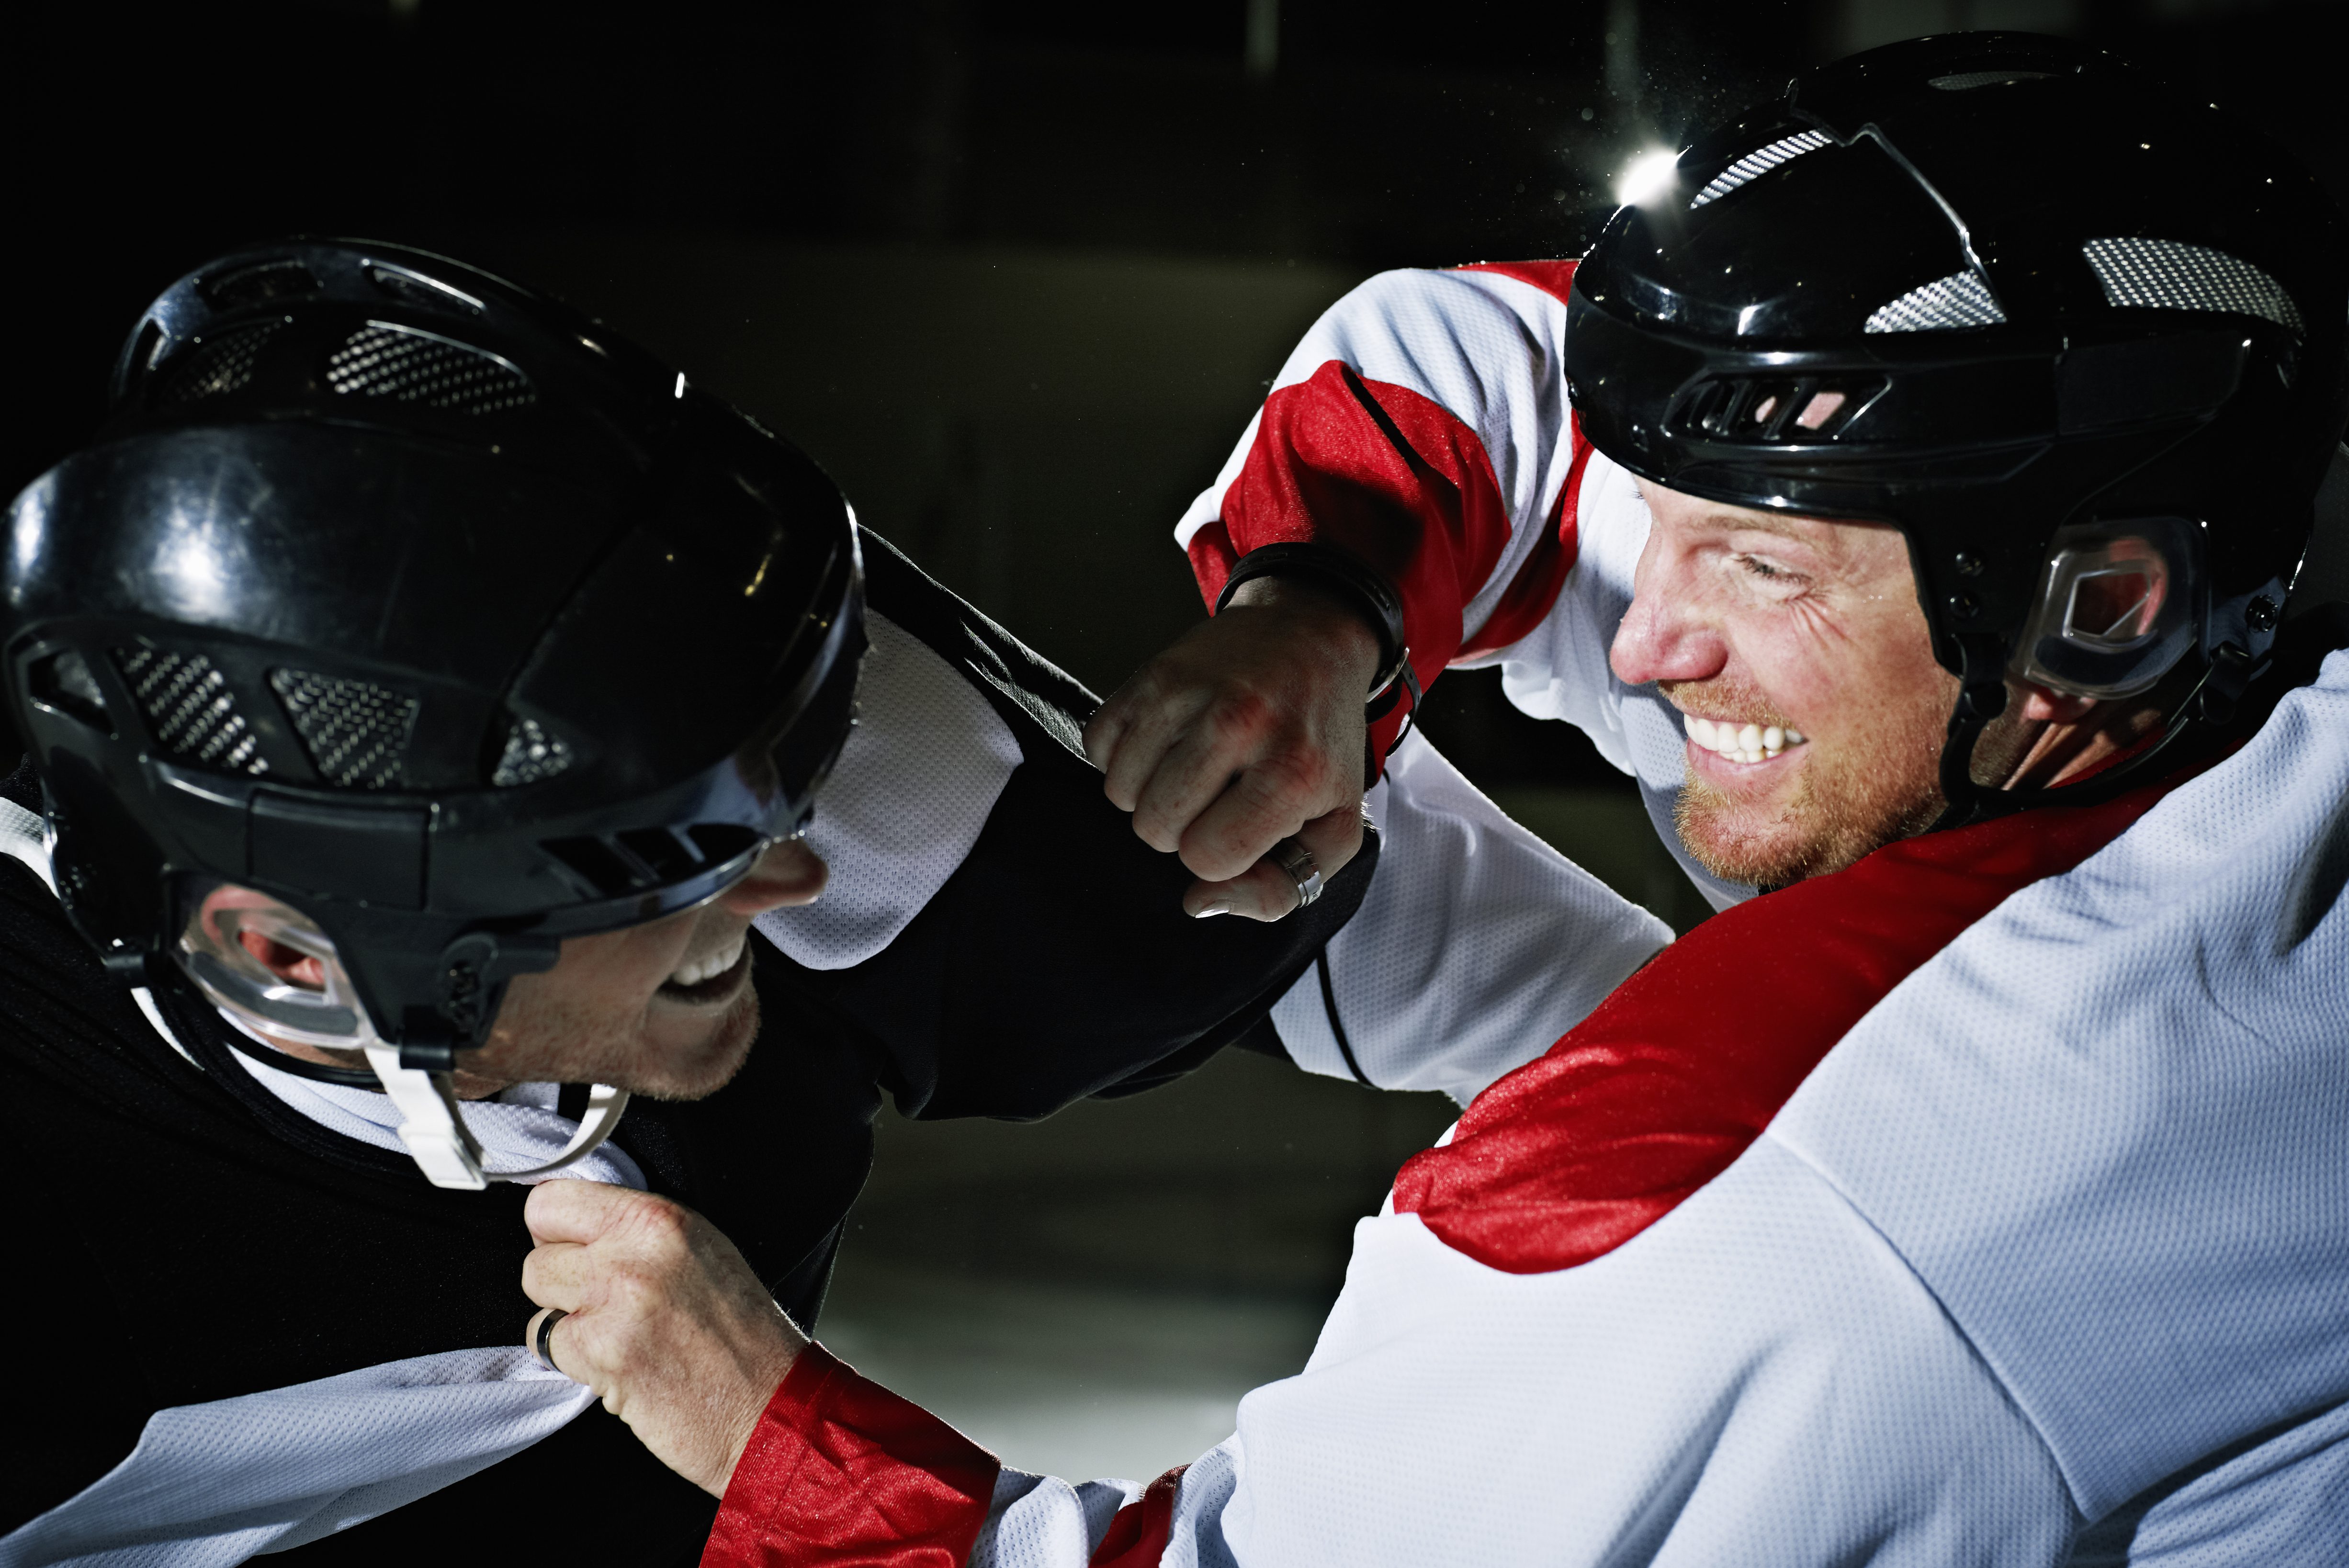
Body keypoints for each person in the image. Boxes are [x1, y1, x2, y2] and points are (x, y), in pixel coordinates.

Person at [512, 33, 2349, 1566]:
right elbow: (1495, 380)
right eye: (1668, 531)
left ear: (2104, 606)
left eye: (1761, 572)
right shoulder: (2176, 663)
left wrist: (777, 1437)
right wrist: (1318, 610)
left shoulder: (1743, 1209)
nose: (1646, 644)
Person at [0, 236, 1667, 1568]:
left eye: (791, 755)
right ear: (296, 959)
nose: (799, 866)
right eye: (668, 857)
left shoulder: (849, 764)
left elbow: (1497, 983)